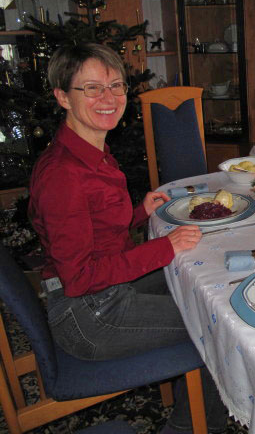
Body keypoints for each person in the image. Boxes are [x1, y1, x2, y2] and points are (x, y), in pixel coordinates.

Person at [28, 43, 226, 433]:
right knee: (213, 324)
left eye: (116, 85)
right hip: (91, 312)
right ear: (63, 97)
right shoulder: (63, 175)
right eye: (92, 88)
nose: (109, 98)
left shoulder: (91, 149)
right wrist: (164, 246)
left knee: (203, 282)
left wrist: (141, 212)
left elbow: (96, 227)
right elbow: (80, 277)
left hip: (107, 287)